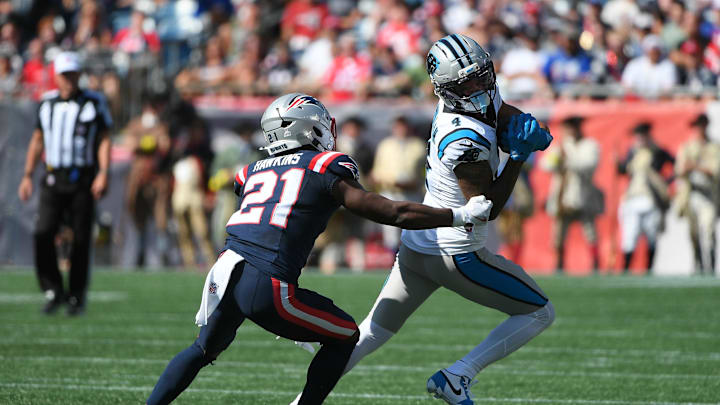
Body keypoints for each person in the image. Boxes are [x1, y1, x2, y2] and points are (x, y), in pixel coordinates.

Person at [146, 93, 492, 405]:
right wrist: (457, 214)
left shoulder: (250, 171)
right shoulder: (323, 165)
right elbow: (391, 211)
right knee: (345, 335)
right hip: (266, 283)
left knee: (202, 349)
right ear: (309, 129)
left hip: (225, 273)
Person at [294, 34, 555, 405]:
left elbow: (498, 108)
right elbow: (487, 207)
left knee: (368, 334)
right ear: (448, 89)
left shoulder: (469, 99)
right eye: (467, 83)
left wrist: (526, 124)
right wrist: (518, 156)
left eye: (482, 76)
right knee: (541, 312)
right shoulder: (464, 138)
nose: (478, 87)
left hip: (418, 249)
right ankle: (458, 376)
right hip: (457, 253)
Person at [17, 51, 112, 315]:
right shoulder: (47, 103)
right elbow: (37, 140)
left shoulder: (94, 102)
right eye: (64, 74)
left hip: (82, 178)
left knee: (81, 239)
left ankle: (76, 295)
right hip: (52, 176)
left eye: (72, 73)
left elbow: (104, 138)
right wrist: (27, 175)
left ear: (79, 74)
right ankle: (52, 288)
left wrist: (103, 171)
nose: (69, 79)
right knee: (43, 232)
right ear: (56, 76)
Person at [541, 116, 603, 271]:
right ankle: (559, 264)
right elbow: (546, 164)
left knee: (590, 232)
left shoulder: (589, 145)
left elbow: (589, 164)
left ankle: (595, 263)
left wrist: (567, 159)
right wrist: (557, 160)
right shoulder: (560, 145)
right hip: (562, 195)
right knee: (558, 235)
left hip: (583, 194)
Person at [617, 122, 674, 273]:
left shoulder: (657, 152)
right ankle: (626, 269)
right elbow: (623, 170)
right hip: (633, 197)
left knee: (651, 236)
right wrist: (618, 163)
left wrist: (665, 183)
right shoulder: (633, 152)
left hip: (651, 199)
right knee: (630, 235)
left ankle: (649, 269)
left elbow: (674, 164)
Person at [370, 115, 427, 251]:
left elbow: (424, 172)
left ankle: (411, 260)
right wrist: (382, 180)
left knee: (412, 229)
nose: (401, 130)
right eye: (398, 127)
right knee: (390, 232)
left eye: (403, 126)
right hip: (389, 192)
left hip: (411, 193)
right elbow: (377, 170)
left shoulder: (419, 146)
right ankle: (393, 263)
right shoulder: (385, 145)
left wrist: (415, 183)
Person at [674, 113, 720, 274]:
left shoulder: (715, 147)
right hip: (691, 193)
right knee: (694, 233)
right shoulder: (688, 146)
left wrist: (695, 166)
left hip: (708, 194)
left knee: (709, 229)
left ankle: (711, 264)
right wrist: (692, 167)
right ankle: (698, 262)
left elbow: (715, 170)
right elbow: (679, 170)